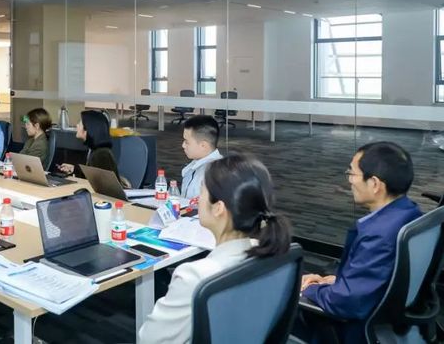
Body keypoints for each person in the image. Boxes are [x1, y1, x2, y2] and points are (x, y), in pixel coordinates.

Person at [139, 154, 292, 344]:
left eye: (201, 192)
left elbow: (149, 339)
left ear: (218, 208)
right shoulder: (274, 252)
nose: (197, 200)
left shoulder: (194, 276)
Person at [296, 142, 422, 342]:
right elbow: (381, 275)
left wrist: (308, 289)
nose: (349, 181)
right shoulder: (411, 213)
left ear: (374, 184)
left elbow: (345, 303)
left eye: (352, 173)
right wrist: (337, 281)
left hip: (354, 329)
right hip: (388, 313)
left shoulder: (378, 235)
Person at [58, 110, 120, 181]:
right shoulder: (95, 150)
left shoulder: (102, 154)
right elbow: (93, 175)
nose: (77, 125)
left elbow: (104, 183)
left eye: (80, 123)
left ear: (88, 128)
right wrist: (73, 169)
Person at [180, 115, 222, 199]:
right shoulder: (197, 163)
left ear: (203, 145)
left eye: (187, 142)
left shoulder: (215, 173)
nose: (183, 145)